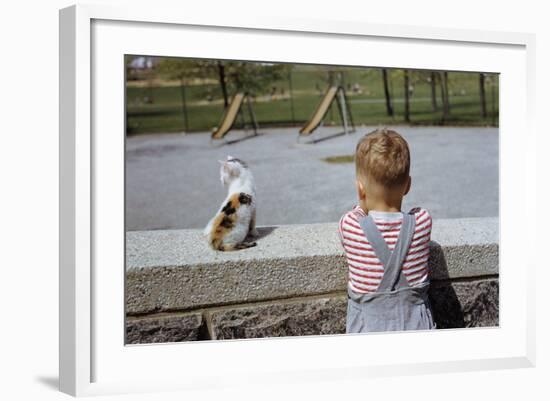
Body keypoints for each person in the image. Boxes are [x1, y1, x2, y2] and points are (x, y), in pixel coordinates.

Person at [338, 128, 435, 333]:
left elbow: (357, 213)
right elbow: (417, 212)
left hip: (368, 331)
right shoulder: (423, 222)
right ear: (408, 185)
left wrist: (364, 201)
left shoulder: (350, 225)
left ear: (360, 189)